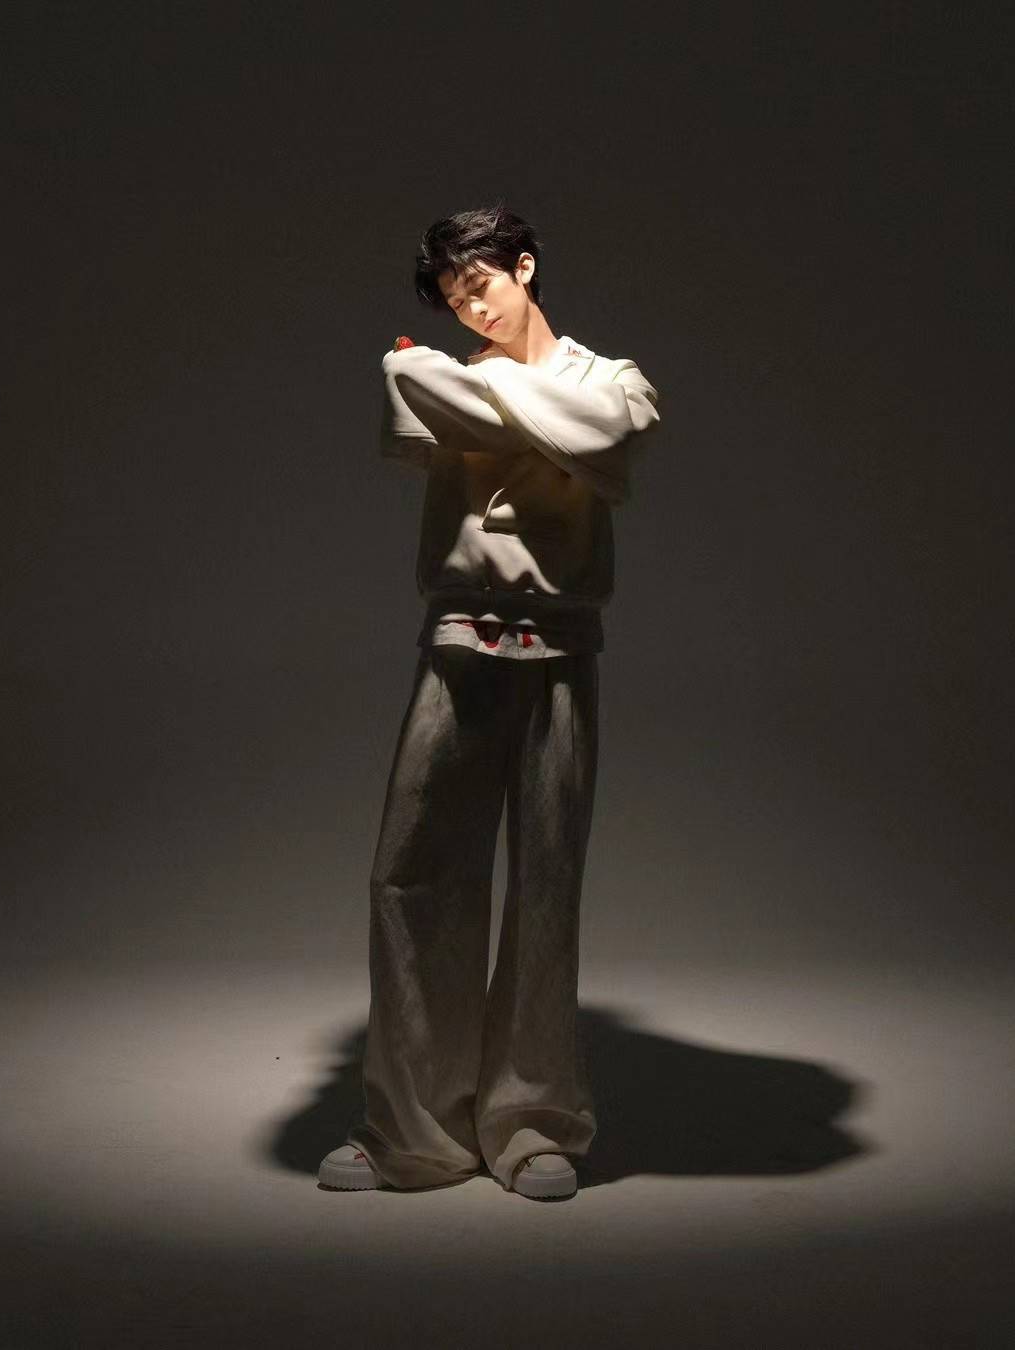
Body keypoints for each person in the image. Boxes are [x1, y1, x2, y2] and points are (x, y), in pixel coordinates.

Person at [318, 202, 660, 1200]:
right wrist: (542, 430)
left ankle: (533, 1124)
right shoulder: (437, 377)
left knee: (546, 888)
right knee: (413, 876)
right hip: (458, 639)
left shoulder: (608, 379)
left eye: (482, 285)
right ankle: (412, 1133)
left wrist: (466, 391)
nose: (473, 310)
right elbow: (413, 397)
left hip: (562, 645)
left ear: (525, 267)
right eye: (456, 300)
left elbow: (611, 435)